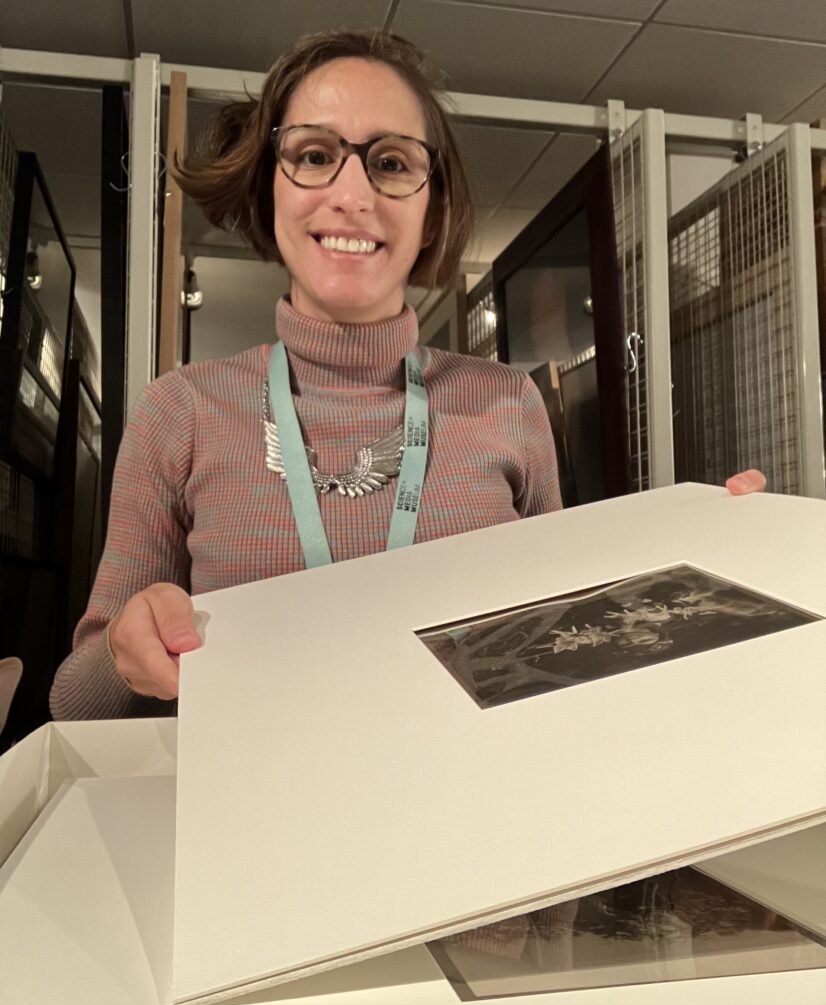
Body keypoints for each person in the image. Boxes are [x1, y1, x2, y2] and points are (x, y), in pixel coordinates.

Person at [49, 30, 765, 721]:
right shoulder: (181, 411)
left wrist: (713, 569)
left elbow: (564, 648)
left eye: (390, 163)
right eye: (314, 154)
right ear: (270, 185)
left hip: (469, 823)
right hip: (255, 826)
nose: (352, 193)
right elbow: (74, 704)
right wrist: (122, 650)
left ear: (433, 207)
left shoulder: (509, 404)